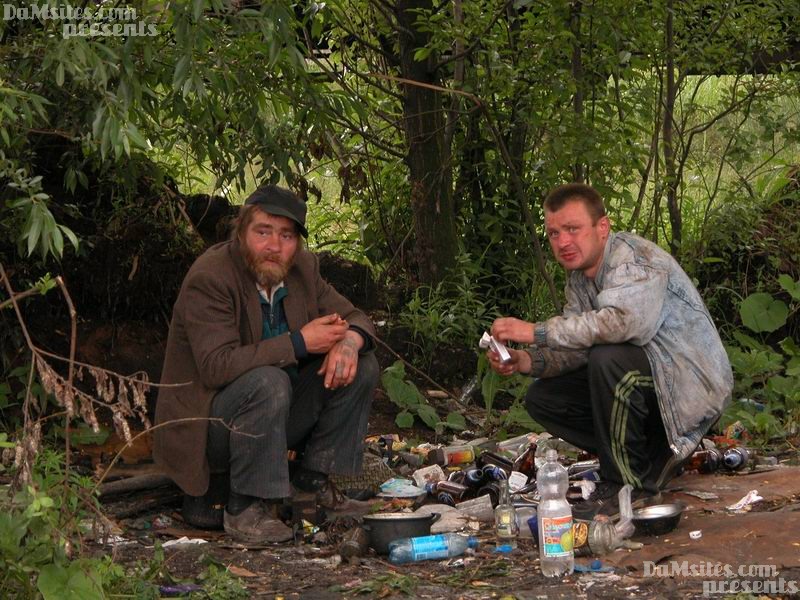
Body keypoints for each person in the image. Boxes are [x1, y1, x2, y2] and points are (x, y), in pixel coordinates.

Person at [487, 183, 733, 518]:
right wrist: (528, 360)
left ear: (602, 227)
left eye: (573, 229)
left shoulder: (631, 258)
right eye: (554, 233)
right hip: (649, 383)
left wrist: (536, 332)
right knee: (543, 397)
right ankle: (647, 457)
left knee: (609, 361)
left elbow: (624, 324)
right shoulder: (579, 278)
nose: (563, 242)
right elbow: (578, 345)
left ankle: (627, 488)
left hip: (687, 385)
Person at [154, 184, 380, 543]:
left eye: (286, 235)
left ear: (297, 243)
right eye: (263, 232)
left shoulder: (301, 268)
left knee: (361, 366)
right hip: (210, 427)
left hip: (273, 417)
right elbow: (216, 366)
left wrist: (350, 343)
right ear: (241, 231)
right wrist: (299, 342)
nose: (274, 246)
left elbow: (357, 318)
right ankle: (244, 509)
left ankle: (311, 487)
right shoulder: (211, 276)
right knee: (268, 381)